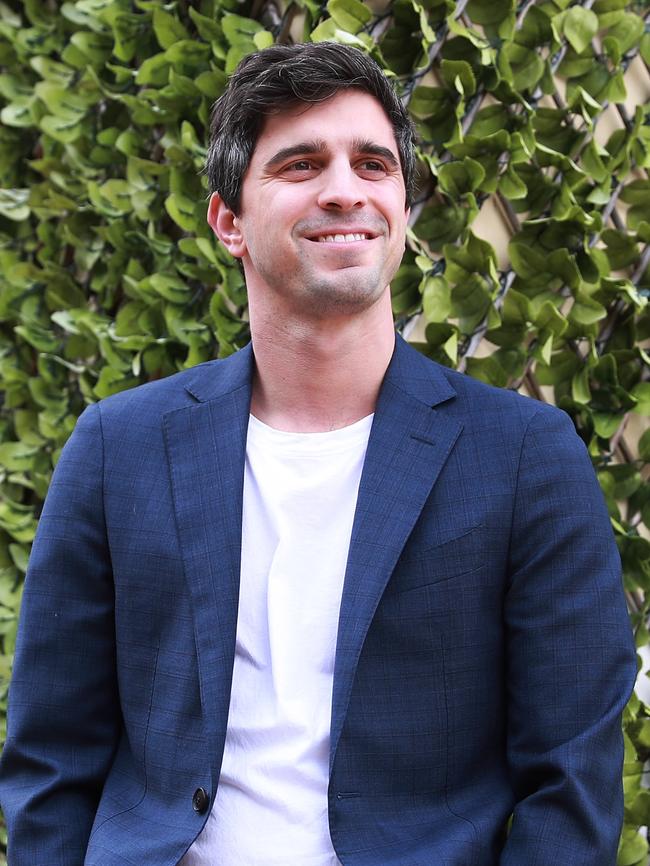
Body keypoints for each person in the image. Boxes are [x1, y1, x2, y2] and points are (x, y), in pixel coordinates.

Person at [0, 41, 637, 866]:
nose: (346, 189)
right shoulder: (121, 446)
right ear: (229, 221)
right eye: (301, 164)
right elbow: (51, 753)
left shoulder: (522, 457)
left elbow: (573, 781)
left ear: (404, 213)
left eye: (373, 164)